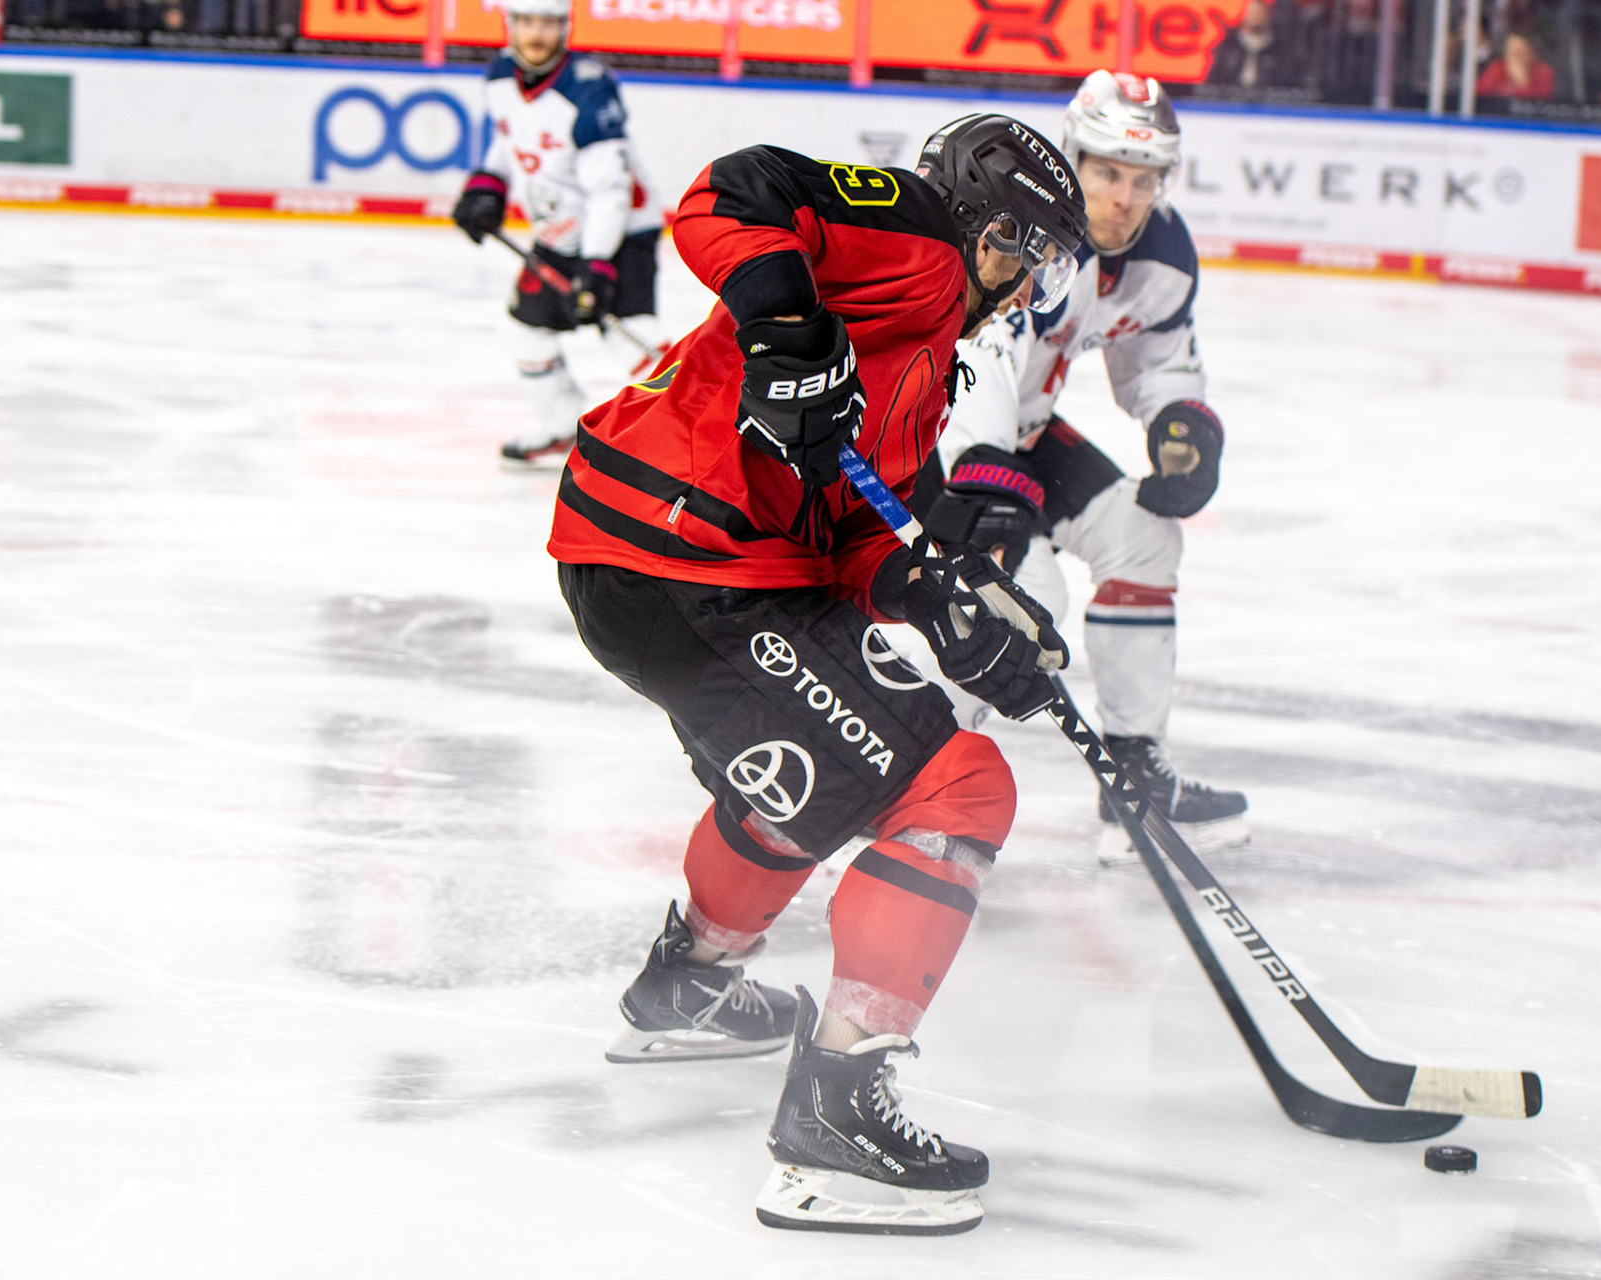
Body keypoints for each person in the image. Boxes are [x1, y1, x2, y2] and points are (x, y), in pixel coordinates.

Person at [548, 117, 1086, 1234]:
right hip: (686, 559)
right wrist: (787, 333)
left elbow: (851, 533)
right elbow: (735, 190)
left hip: (656, 562)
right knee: (959, 787)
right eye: (1029, 254)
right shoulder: (921, 238)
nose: (1030, 287)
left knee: (813, 775)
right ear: (989, 229)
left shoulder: (929, 365)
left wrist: (943, 603)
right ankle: (835, 1125)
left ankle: (683, 989)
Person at [917, 71, 1249, 858]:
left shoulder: (1163, 252)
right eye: (1106, 174)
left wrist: (1182, 424)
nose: (1125, 199)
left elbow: (1159, 361)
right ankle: (903, 771)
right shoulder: (1025, 225)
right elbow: (982, 359)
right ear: (1074, 157)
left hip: (1020, 436)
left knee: (1145, 538)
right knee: (1020, 592)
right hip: (932, 432)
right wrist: (984, 471)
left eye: (1144, 180)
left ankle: (1132, 771)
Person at [450, 0, 666, 464]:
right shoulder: (500, 77)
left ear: (565, 28)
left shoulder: (589, 89)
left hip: (620, 233)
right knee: (527, 332)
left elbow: (610, 190)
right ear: (510, 24)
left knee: (631, 338)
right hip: (558, 234)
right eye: (526, 22)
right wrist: (486, 187)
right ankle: (559, 426)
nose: (536, 34)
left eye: (548, 23)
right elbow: (509, 142)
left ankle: (687, 440)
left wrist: (597, 265)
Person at [1207, 0, 1309, 92]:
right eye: (1251, 13)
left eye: (1258, 13)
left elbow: (1286, 82)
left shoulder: (1280, 48)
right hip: (1228, 102)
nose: (1254, 17)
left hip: (1267, 104)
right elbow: (1213, 81)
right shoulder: (1229, 46)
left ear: (1268, 16)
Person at [1477, 32, 1556, 98]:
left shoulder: (1543, 72)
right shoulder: (1496, 68)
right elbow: (1480, 96)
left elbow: (1538, 107)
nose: (1516, 59)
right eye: (1512, 53)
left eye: (1521, 54)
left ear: (1532, 55)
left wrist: (1523, 84)